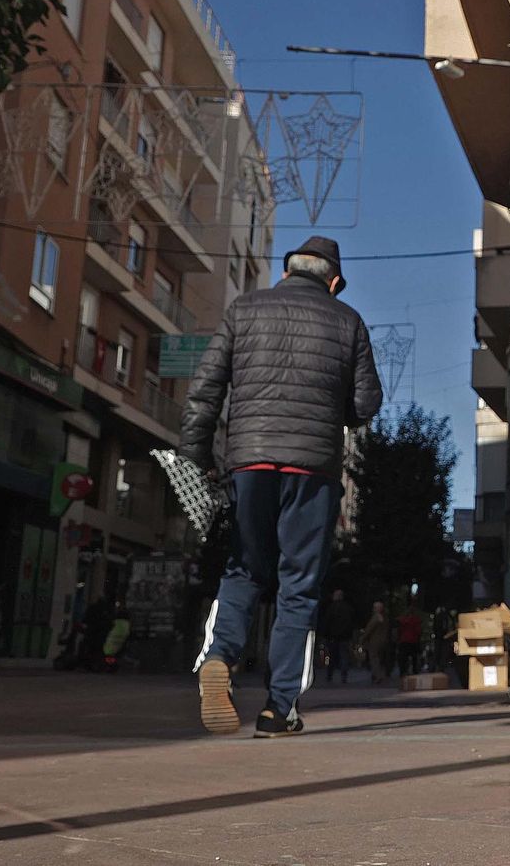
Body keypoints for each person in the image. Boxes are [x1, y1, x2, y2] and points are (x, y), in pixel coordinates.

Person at [181, 237, 382, 738]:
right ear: (333, 281)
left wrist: (195, 456)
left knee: (244, 566)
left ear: (288, 270)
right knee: (298, 586)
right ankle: (279, 707)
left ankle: (219, 657)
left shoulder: (243, 309)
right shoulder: (348, 321)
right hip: (312, 469)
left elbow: (205, 388)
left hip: (248, 461)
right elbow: (365, 404)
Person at [320, 589, 354, 684]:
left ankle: (329, 675)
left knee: (332, 656)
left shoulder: (331, 608)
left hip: (333, 636)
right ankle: (344, 676)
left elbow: (327, 622)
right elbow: (351, 622)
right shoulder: (348, 608)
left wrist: (325, 635)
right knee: (344, 656)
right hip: (345, 636)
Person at [360, 601, 391, 685]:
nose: (373, 609)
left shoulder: (376, 618)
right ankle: (376, 675)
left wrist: (362, 639)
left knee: (374, 659)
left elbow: (369, 629)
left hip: (374, 641)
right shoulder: (385, 618)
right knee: (379, 659)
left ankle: (377, 676)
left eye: (375, 607)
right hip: (383, 641)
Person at [396, 605, 422, 677]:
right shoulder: (416, 620)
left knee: (403, 657)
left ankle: (403, 671)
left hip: (404, 640)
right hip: (413, 641)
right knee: (414, 657)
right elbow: (418, 631)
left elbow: (399, 630)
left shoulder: (402, 620)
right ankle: (414, 671)